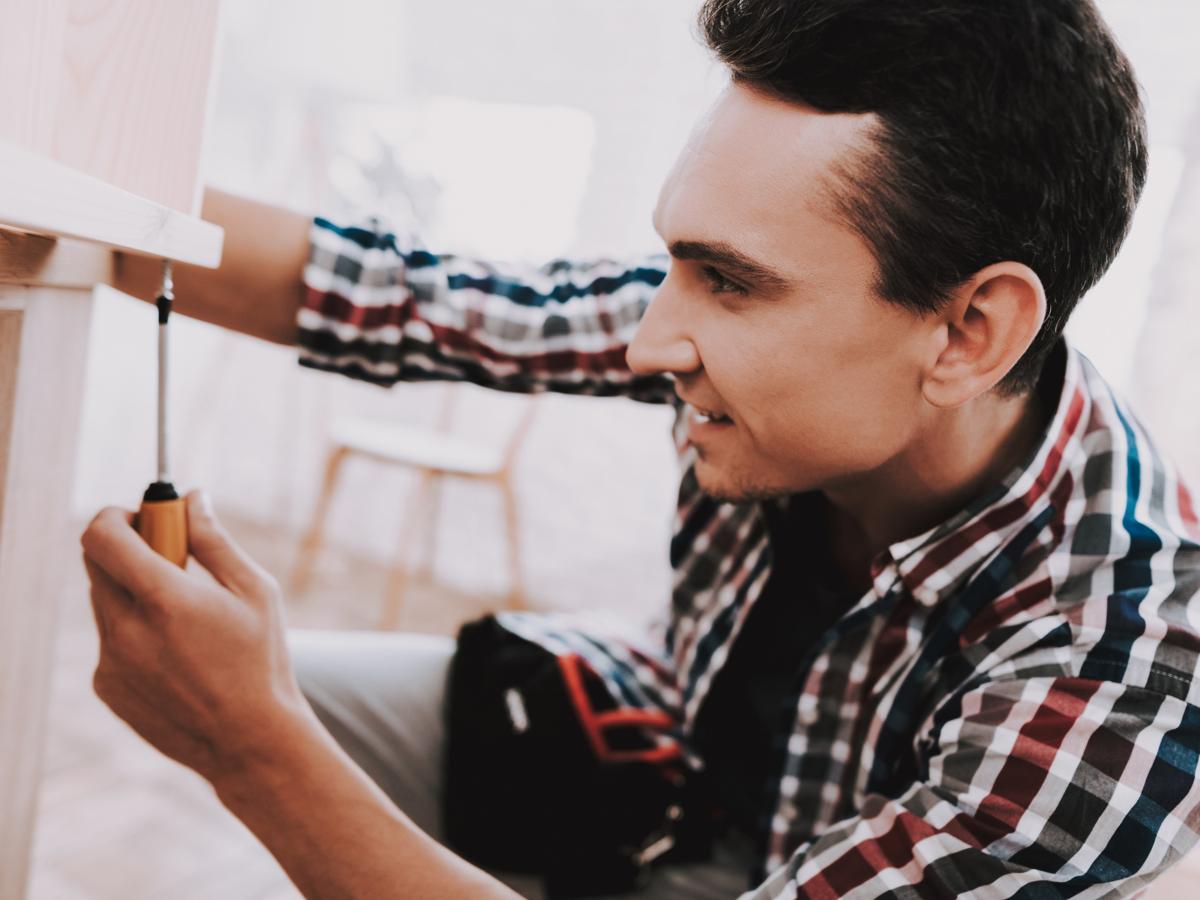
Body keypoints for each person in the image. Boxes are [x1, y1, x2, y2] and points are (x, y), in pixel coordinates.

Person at [80, 0, 1200, 897]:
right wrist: (92, 195)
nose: (653, 337)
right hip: (677, 766)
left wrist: (257, 755)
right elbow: (399, 294)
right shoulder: (752, 326)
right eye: (675, 259)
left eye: (727, 281)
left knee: (261, 726)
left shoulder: (1124, 680)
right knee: (262, 688)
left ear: (970, 330)